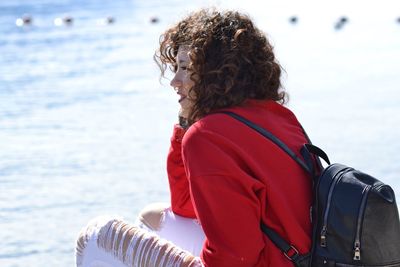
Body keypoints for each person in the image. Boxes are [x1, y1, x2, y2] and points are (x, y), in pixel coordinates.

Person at [75, 8, 313, 267]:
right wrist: (185, 124)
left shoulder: (208, 137)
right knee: (153, 218)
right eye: (176, 67)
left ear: (217, 73)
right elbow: (186, 207)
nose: (174, 81)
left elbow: (237, 256)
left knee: (98, 235)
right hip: (300, 259)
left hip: (259, 262)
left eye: (186, 68)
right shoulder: (279, 117)